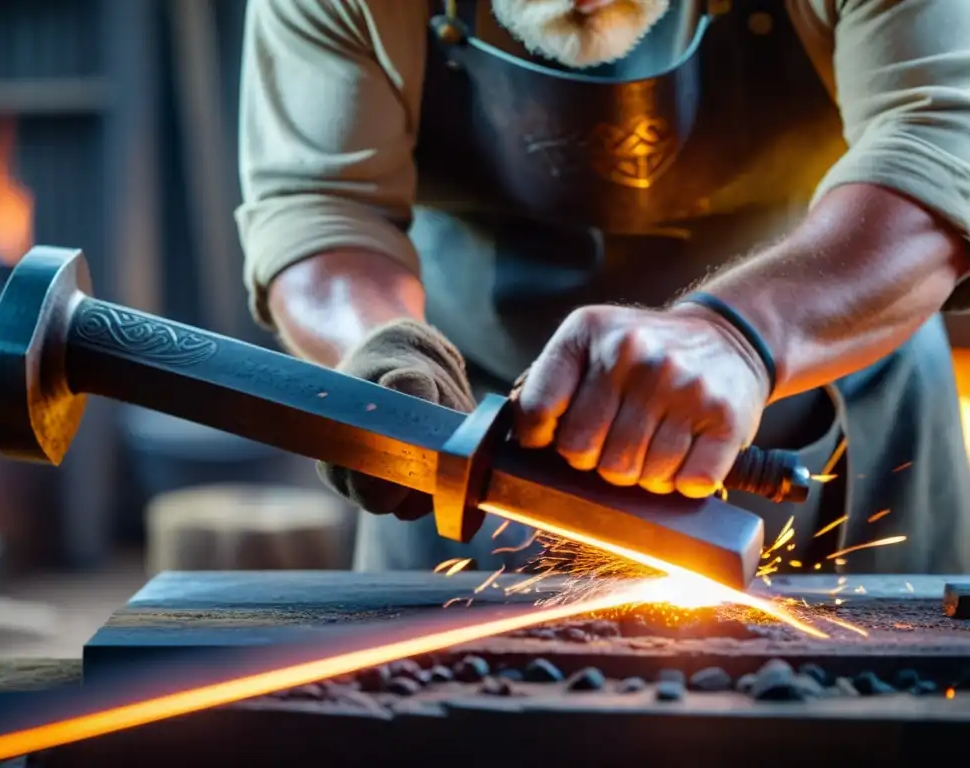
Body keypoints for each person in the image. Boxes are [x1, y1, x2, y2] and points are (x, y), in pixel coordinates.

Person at [235, 0, 970, 575]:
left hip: (836, 396)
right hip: (479, 440)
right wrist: (382, 353)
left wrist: (738, 339)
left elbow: (940, 141)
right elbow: (318, 203)